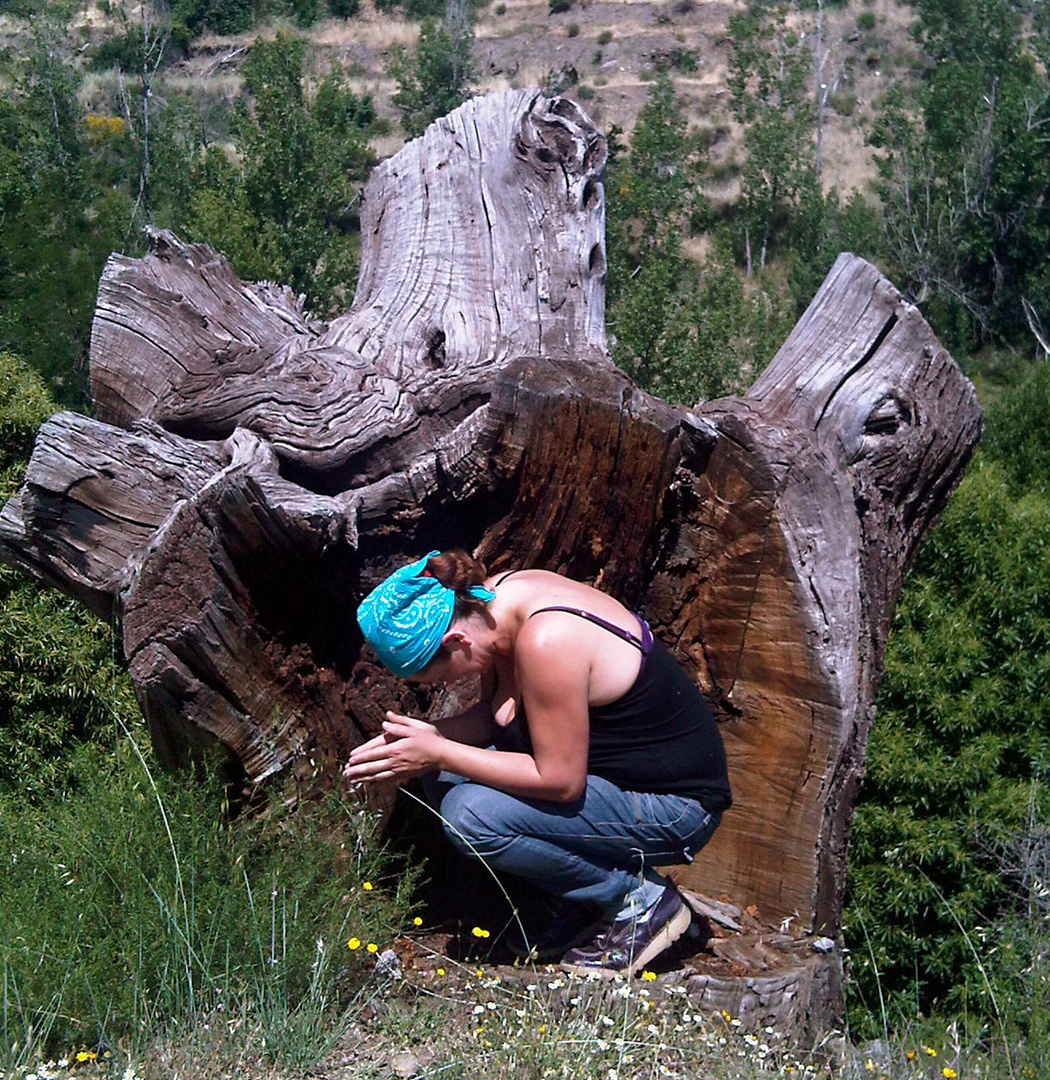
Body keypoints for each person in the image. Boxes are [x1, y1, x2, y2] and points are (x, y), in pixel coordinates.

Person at [343, 549, 731, 976]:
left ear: (456, 642)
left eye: (438, 677)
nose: (450, 684)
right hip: (610, 785)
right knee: (444, 775)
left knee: (469, 815)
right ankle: (578, 902)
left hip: (677, 808)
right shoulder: (492, 608)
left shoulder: (547, 641)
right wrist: (425, 740)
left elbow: (560, 781)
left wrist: (438, 750)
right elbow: (495, 719)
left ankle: (637, 901)